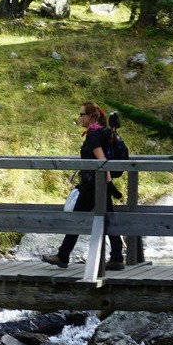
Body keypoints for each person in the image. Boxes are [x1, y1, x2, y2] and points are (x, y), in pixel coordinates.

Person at [43, 101, 125, 270]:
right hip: (99, 183)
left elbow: (102, 162)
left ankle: (63, 255)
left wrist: (109, 185)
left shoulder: (93, 135)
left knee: (77, 218)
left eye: (82, 114)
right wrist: (109, 186)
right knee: (107, 215)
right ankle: (116, 256)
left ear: (91, 116)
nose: (79, 117)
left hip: (93, 183)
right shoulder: (101, 133)